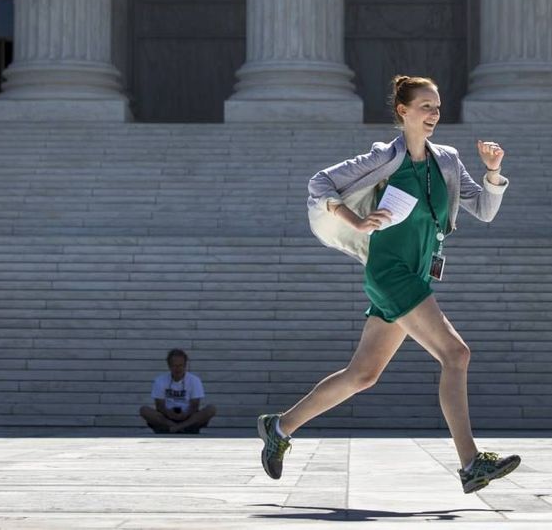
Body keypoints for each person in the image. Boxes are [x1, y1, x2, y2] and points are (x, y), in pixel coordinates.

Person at [256, 75, 521, 495]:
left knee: (362, 374)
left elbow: (484, 211)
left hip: (415, 272)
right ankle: (470, 462)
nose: (433, 115)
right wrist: (356, 221)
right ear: (403, 111)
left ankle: (280, 426)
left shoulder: (448, 160)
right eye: (425, 107)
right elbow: (319, 184)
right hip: (390, 270)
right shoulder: (386, 157)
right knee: (456, 354)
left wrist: (493, 173)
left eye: (437, 107)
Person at [139, 349, 217, 433]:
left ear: (185, 365)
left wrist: (185, 414)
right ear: (169, 366)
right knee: (144, 410)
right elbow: (159, 405)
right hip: (167, 416)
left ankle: (176, 428)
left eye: (181, 365)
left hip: (188, 416)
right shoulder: (160, 380)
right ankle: (179, 427)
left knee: (211, 409)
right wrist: (169, 413)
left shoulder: (194, 380)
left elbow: (195, 405)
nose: (178, 369)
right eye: (174, 366)